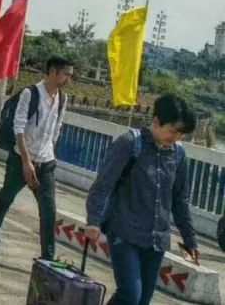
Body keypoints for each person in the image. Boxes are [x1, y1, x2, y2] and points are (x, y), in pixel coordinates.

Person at [85, 94, 199, 305]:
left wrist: (190, 240)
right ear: (156, 121)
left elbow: (179, 200)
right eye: (172, 131)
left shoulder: (178, 154)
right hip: (124, 233)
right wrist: (93, 221)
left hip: (156, 240)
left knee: (143, 301)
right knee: (130, 295)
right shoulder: (130, 143)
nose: (176, 138)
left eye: (181, 134)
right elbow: (102, 186)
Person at [0, 55, 74, 260]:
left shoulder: (62, 99)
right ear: (53, 72)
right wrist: (26, 161)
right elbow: (19, 127)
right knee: (6, 198)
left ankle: (47, 256)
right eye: (66, 75)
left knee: (48, 209)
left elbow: (57, 128)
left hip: (46, 162)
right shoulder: (30, 94)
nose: (69, 80)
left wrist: (51, 156)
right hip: (20, 160)